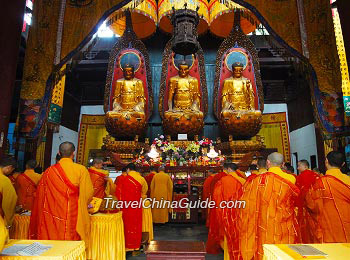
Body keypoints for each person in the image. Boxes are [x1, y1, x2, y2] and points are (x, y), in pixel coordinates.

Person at [29, 142, 94, 243]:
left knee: (52, 241)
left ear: (59, 153)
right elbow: (88, 194)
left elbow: (40, 195)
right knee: (69, 242)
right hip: (72, 214)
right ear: (74, 153)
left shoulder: (49, 171)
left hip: (51, 216)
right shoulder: (81, 170)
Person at [239, 152, 299, 260]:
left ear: (268, 162)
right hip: (284, 221)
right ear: (283, 164)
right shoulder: (291, 179)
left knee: (264, 247)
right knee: (283, 250)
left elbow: (247, 204)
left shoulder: (258, 180)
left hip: (264, 221)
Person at [305, 151, 350, 243]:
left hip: (328, 227)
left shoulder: (320, 183)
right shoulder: (348, 180)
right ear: (343, 164)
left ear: (326, 161)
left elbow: (310, 205)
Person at [207, 163, 245, 255]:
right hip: (239, 210)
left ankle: (226, 248)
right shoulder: (243, 180)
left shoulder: (223, 180)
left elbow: (217, 197)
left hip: (225, 210)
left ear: (228, 169)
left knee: (225, 230)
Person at [115, 163, 147, 252]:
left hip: (125, 205)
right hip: (136, 205)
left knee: (126, 223)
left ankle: (126, 245)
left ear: (128, 169)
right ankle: (135, 245)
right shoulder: (141, 178)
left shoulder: (123, 178)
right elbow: (144, 191)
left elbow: (117, 192)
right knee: (136, 223)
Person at [295, 160, 318, 243]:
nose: (297, 168)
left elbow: (299, 193)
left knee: (305, 229)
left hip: (304, 207)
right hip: (316, 206)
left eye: (299, 166)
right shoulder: (316, 175)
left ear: (305, 166)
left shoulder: (301, 177)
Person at [0, 157, 18, 228]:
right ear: (9, 167)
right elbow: (9, 203)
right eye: (12, 170)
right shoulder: (4, 180)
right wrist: (8, 221)